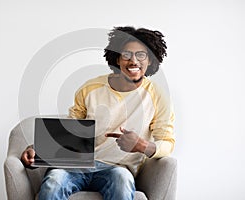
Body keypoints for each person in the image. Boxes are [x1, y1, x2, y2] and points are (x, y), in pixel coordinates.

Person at [21, 26, 175, 200]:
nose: (134, 61)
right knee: (54, 180)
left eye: (141, 55)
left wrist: (142, 145)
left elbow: (167, 141)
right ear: (117, 59)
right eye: (126, 54)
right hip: (77, 165)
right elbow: (68, 131)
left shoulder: (158, 96)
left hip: (118, 168)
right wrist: (37, 149)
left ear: (150, 61)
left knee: (122, 181)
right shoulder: (90, 88)